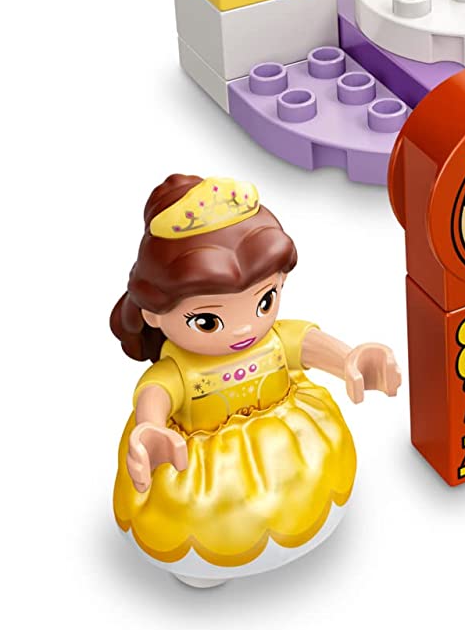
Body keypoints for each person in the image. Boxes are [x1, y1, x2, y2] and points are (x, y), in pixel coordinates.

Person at [111, 174, 399, 586]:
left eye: (265, 300)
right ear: (154, 315)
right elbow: (155, 394)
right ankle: (207, 569)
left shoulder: (275, 340)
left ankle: (314, 527)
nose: (244, 329)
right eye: (207, 321)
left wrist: (349, 358)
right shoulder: (179, 370)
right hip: (208, 469)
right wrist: (151, 429)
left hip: (290, 440)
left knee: (317, 479)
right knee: (200, 525)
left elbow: (308, 345)